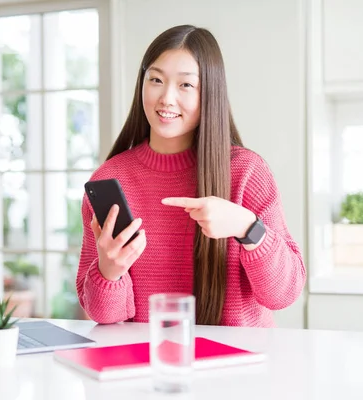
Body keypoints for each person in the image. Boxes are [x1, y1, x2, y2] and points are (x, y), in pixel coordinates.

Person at [76, 24, 306, 327]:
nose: (166, 98)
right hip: (147, 364)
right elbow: (104, 316)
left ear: (210, 92)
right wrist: (109, 271)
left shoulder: (246, 172)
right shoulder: (112, 178)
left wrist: (246, 227)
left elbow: (284, 294)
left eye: (186, 85)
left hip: (238, 368)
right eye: (156, 80)